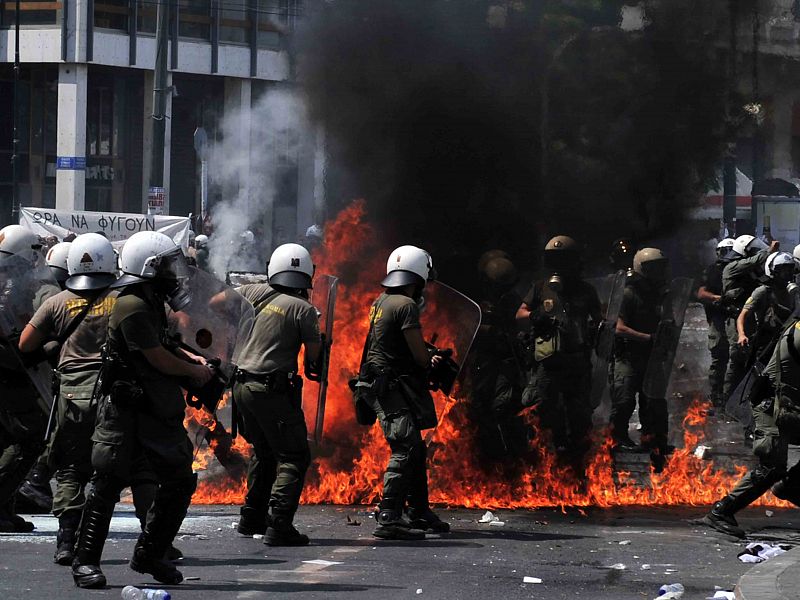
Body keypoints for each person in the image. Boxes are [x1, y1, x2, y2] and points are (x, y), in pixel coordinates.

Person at [70, 231, 212, 589]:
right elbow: (155, 357)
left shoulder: (149, 301)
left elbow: (164, 344)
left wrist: (192, 356)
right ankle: (84, 561)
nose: (173, 273)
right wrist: (193, 371)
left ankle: (150, 553)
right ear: (149, 267)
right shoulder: (130, 304)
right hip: (127, 414)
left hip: (155, 412)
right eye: (166, 265)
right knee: (105, 485)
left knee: (179, 480)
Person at [357, 245, 450, 540]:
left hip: (380, 381)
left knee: (415, 447)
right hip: (390, 385)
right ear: (418, 277)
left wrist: (426, 352)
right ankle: (390, 515)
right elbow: (419, 357)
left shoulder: (382, 300)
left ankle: (418, 510)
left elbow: (392, 344)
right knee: (406, 447)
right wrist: (430, 358)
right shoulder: (406, 305)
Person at [231, 243, 321, 546]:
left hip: (241, 385)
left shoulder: (251, 292)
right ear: (306, 275)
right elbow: (313, 361)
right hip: (271, 390)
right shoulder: (305, 310)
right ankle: (279, 524)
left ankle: (251, 517)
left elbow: (217, 303)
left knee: (263, 450)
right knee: (294, 455)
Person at [701, 315, 800, 538]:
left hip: (789, 408)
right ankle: (721, 511)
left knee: (775, 469)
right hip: (772, 407)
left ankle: (791, 486)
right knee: (771, 466)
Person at [516, 236, 601, 473]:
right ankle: (544, 467)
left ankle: (576, 469)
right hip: (547, 363)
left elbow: (600, 321)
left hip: (576, 362)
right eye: (555, 260)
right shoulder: (541, 288)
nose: (559, 266)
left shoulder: (586, 290)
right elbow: (520, 315)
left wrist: (596, 332)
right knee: (541, 413)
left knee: (580, 418)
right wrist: (536, 316)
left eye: (564, 260)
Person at [0, 225, 57, 532]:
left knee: (7, 439)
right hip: (10, 372)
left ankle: (5, 509)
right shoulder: (13, 284)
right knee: (30, 437)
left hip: (13, 369)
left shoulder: (9, 280)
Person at [610, 248, 672, 470]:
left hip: (652, 360)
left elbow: (669, 323)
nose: (659, 272)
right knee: (624, 401)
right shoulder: (629, 294)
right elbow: (619, 328)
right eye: (653, 268)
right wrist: (648, 338)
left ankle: (654, 442)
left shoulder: (662, 295)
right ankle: (617, 440)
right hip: (629, 357)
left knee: (653, 403)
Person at [471, 251, 526, 458]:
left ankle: (510, 452)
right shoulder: (481, 301)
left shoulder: (512, 302)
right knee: (475, 406)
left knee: (501, 407)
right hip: (481, 360)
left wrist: (498, 332)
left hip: (504, 361)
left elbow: (518, 329)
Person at [721, 235, 777, 402]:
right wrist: (768, 251)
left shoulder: (751, 272)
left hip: (750, 320)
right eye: (753, 251)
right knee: (737, 359)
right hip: (736, 320)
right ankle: (727, 398)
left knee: (750, 360)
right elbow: (753, 261)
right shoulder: (732, 267)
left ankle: (743, 399)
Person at [696, 238, 735, 407]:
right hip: (719, 318)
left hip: (736, 319)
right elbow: (701, 293)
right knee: (720, 357)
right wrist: (720, 299)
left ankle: (732, 393)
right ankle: (716, 394)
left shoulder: (741, 270)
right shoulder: (713, 271)